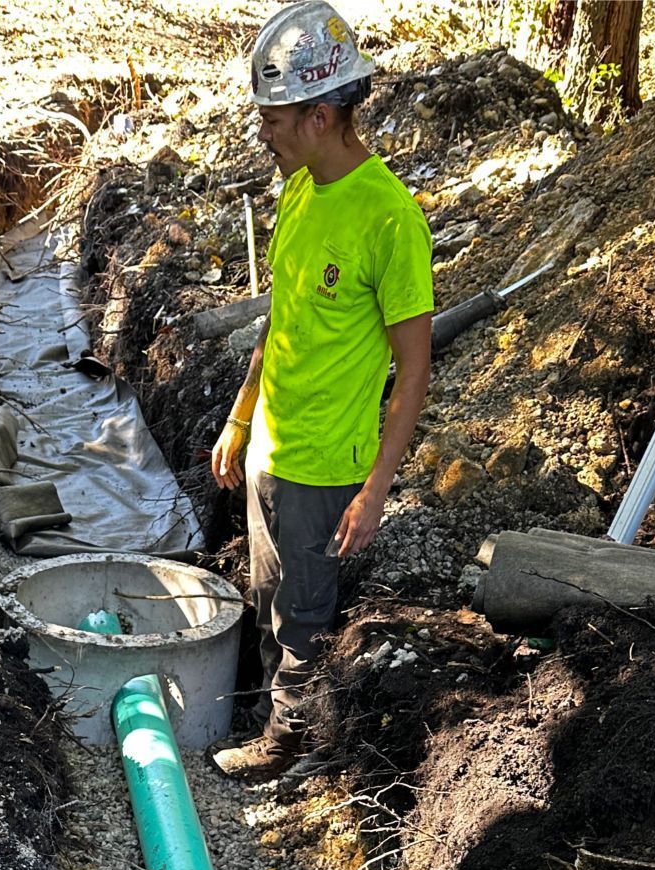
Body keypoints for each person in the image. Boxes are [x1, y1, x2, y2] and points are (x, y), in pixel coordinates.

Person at [208, 2, 433, 780]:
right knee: (269, 597)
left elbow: (414, 372)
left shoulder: (389, 221)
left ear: (321, 114)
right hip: (273, 442)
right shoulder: (299, 191)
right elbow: (283, 316)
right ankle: (272, 714)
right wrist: (241, 416)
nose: (262, 134)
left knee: (305, 615)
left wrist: (374, 491)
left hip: (327, 463)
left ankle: (294, 747)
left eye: (272, 119)